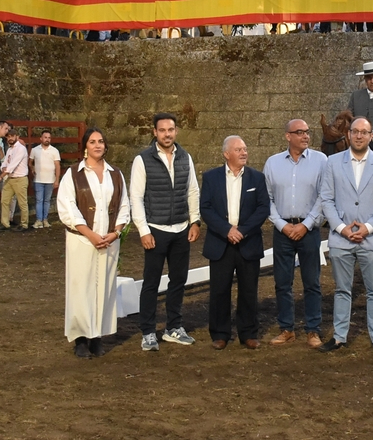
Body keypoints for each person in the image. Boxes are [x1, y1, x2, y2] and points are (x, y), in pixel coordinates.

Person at [318, 116, 373, 354]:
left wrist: (369, 227)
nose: (359, 135)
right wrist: (341, 228)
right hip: (342, 238)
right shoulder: (332, 162)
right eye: (355, 131)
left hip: (370, 238)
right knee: (342, 289)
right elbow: (327, 199)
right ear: (349, 134)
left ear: (371, 136)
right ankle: (339, 336)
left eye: (364, 132)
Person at [130, 112, 201, 351]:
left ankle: (173, 327)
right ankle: (148, 331)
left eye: (170, 130)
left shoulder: (185, 157)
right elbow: (136, 198)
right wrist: (143, 230)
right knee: (151, 283)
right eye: (162, 130)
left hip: (181, 228)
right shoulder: (142, 160)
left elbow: (192, 190)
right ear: (154, 133)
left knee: (178, 280)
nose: (167, 134)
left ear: (176, 131)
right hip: (156, 229)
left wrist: (195, 221)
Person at [56, 128, 129, 359]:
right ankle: (80, 338)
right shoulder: (73, 174)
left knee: (104, 287)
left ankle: (97, 335)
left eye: (101, 142)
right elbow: (68, 206)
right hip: (82, 240)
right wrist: (89, 234)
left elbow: (124, 205)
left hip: (108, 240)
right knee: (81, 288)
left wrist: (115, 232)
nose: (97, 145)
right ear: (85, 146)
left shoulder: (115, 174)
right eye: (92, 142)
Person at [201, 136, 269, 350]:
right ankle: (220, 334)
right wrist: (227, 230)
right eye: (238, 149)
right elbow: (206, 209)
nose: (244, 153)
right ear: (226, 154)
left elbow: (263, 209)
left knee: (249, 291)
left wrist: (242, 231)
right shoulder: (211, 177)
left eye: (245, 149)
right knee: (219, 291)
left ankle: (248, 333)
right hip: (221, 242)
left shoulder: (257, 178)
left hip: (247, 243)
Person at [264, 119, 328, 348]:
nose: (305, 136)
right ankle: (287, 328)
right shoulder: (272, 164)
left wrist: (307, 224)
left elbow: (324, 196)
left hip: (308, 231)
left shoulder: (321, 161)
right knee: (283, 283)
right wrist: (282, 225)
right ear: (287, 136)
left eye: (307, 132)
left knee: (312, 283)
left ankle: (313, 330)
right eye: (299, 132)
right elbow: (267, 199)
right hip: (283, 232)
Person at [0, 128, 30, 231]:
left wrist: (1, 176)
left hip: (20, 178)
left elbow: (13, 165)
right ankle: (5, 223)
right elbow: (5, 162)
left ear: (17, 136)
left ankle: (24, 224)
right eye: (8, 137)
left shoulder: (21, 149)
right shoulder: (10, 149)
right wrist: (3, 168)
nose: (10, 138)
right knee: (4, 201)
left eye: (12, 136)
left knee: (22, 202)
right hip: (10, 178)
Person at [29, 131, 62, 229]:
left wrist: (57, 180)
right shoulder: (35, 150)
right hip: (38, 179)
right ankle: (39, 220)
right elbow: (30, 162)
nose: (47, 139)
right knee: (39, 200)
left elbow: (57, 166)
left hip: (50, 180)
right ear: (41, 138)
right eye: (45, 137)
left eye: (49, 138)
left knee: (47, 200)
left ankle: (45, 219)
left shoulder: (54, 151)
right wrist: (32, 168)